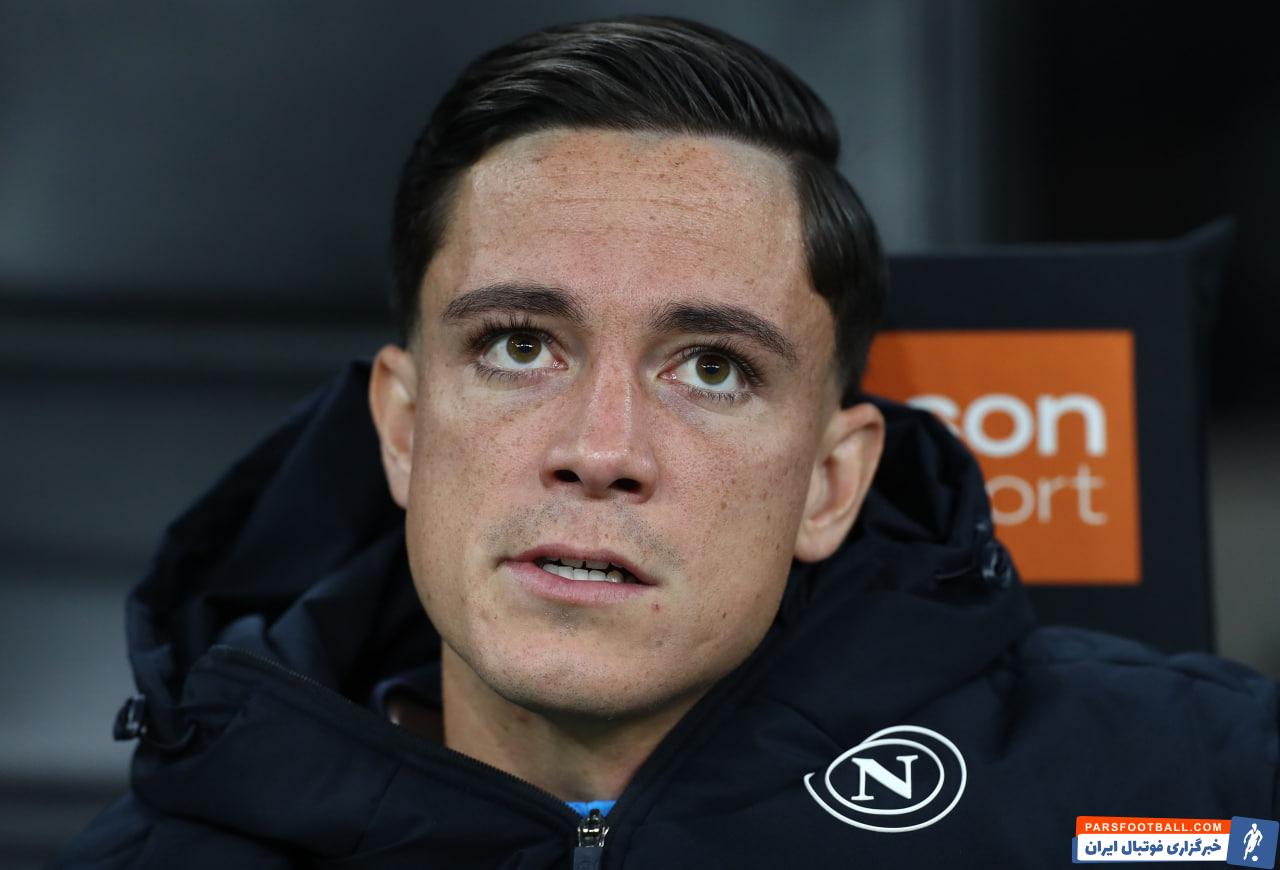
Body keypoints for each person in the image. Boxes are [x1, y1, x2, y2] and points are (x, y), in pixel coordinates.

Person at [54, 15, 1277, 869]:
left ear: (829, 485)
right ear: (404, 429)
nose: (599, 450)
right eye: (518, 345)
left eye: (711, 367)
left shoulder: (1197, 785)